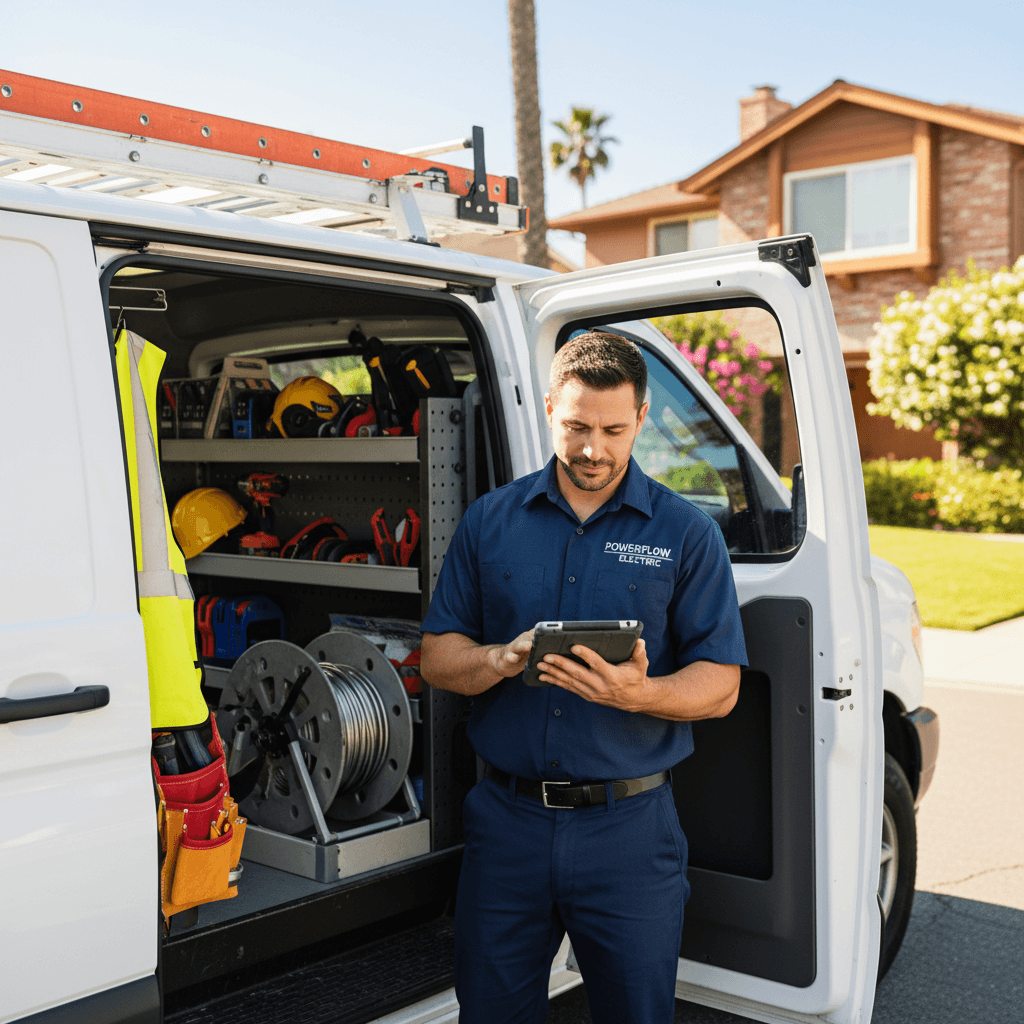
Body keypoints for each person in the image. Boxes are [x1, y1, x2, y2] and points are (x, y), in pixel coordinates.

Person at [420, 332, 747, 1024]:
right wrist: (499, 661)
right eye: (575, 426)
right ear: (548, 409)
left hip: (629, 832)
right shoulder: (489, 522)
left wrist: (642, 694)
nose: (593, 449)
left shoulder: (686, 534)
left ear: (642, 418)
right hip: (506, 827)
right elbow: (437, 658)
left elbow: (721, 685)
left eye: (612, 430)